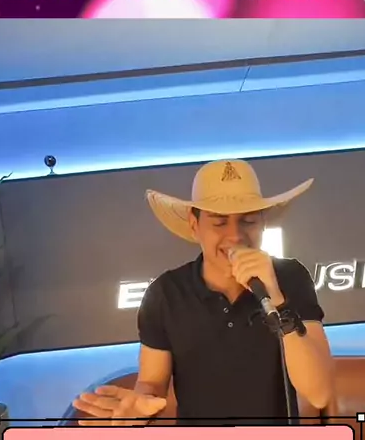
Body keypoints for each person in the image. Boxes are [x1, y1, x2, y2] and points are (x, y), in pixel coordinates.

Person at [73, 159, 334, 426]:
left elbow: (319, 394)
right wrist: (140, 406)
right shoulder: (166, 293)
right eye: (219, 223)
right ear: (194, 224)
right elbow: (152, 383)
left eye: (248, 220)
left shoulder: (291, 277)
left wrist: (276, 300)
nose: (235, 235)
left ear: (263, 223)